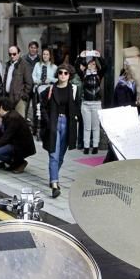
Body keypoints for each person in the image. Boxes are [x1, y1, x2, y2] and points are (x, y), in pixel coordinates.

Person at [39, 63, 81, 198]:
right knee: (53, 154)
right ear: (57, 74)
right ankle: (55, 184)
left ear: (70, 75)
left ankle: (53, 176)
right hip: (54, 123)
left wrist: (76, 119)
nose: (62, 75)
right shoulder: (51, 89)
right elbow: (42, 106)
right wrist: (47, 121)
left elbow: (77, 106)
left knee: (60, 156)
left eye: (65, 73)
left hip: (67, 124)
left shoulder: (74, 89)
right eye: (60, 72)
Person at [0, 96, 36, 172]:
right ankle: (14, 163)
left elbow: (5, 138)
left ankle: (20, 162)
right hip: (13, 143)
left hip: (21, 146)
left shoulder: (13, 118)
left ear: (1, 107)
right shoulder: (7, 116)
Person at [78, 55, 105, 154]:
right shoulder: (84, 74)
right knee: (87, 126)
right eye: (90, 63)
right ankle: (86, 147)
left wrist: (99, 57)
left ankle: (95, 146)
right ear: (87, 65)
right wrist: (81, 56)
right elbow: (77, 66)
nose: (92, 65)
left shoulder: (98, 75)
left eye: (94, 64)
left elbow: (105, 66)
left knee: (95, 126)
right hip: (86, 103)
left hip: (96, 103)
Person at [1, 45, 33, 117]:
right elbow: (5, 80)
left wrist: (22, 96)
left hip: (19, 99)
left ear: (19, 53)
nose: (12, 56)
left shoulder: (25, 65)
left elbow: (29, 83)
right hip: (8, 97)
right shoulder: (8, 64)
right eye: (10, 54)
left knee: (19, 121)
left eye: (14, 54)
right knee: (9, 121)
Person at [31, 48, 57, 135]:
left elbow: (57, 79)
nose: (45, 56)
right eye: (44, 54)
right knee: (38, 111)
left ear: (50, 56)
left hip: (49, 90)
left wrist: (50, 80)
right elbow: (33, 76)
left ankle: (47, 130)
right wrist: (38, 81)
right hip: (38, 90)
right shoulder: (37, 65)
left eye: (47, 54)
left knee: (47, 111)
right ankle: (37, 130)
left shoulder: (54, 67)